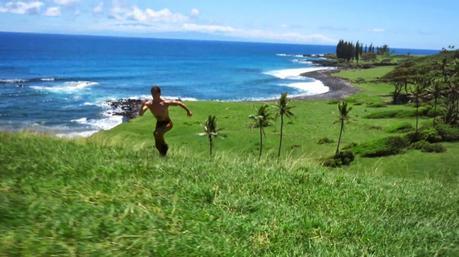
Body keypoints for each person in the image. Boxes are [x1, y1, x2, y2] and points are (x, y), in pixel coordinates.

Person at [139, 85, 192, 156]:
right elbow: (141, 114)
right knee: (157, 141)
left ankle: (165, 147)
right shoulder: (150, 104)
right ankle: (162, 153)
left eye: (155, 94)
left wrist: (188, 111)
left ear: (159, 93)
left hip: (167, 123)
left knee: (157, 133)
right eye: (152, 94)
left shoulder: (165, 102)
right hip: (159, 123)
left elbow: (179, 103)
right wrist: (142, 106)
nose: (153, 95)